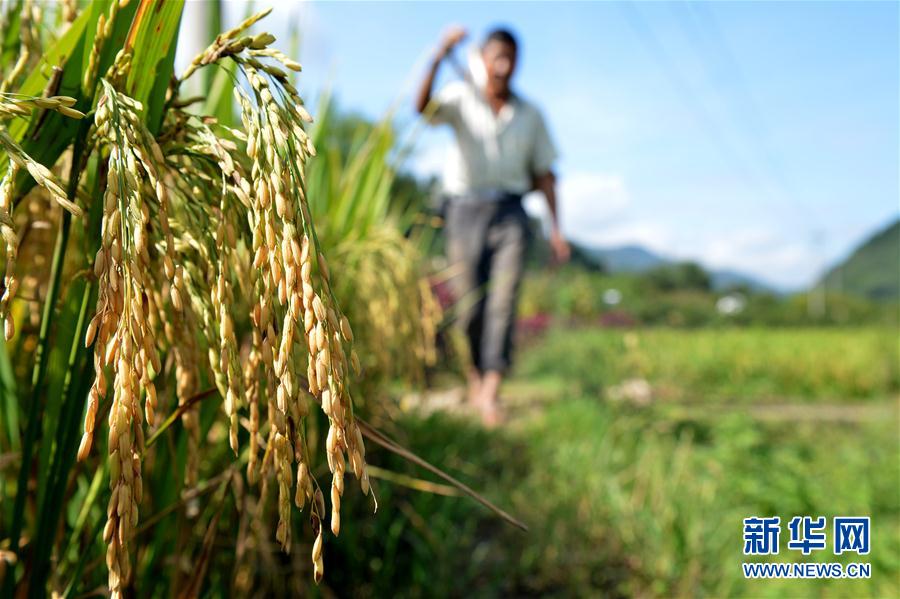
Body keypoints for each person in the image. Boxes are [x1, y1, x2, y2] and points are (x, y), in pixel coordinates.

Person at [415, 26, 569, 426]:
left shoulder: (530, 114)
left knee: (503, 300)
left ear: (517, 63)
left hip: (511, 213)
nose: (503, 65)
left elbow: (545, 174)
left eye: (510, 58)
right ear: (483, 60)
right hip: (464, 210)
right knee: (470, 305)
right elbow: (423, 109)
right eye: (497, 56)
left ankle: (490, 391)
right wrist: (438, 55)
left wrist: (556, 229)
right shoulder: (460, 97)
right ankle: (475, 374)